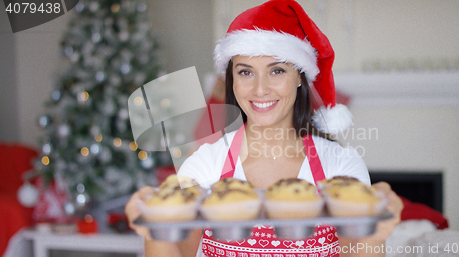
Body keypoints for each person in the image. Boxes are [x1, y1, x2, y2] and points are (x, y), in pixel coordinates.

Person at [125, 0, 403, 256]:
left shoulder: (341, 168)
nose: (260, 89)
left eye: (277, 70)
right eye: (245, 72)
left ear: (299, 77)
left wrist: (375, 237)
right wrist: (154, 227)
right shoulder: (205, 165)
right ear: (231, 79)